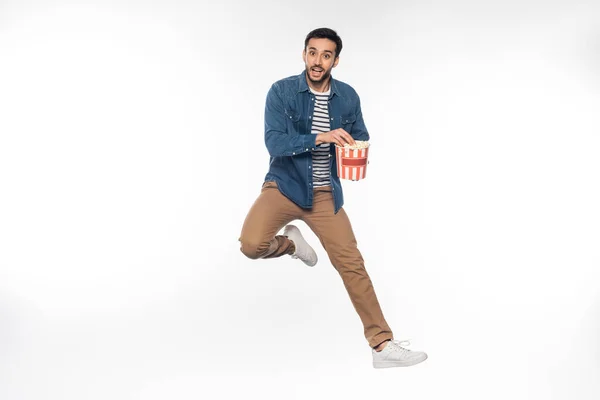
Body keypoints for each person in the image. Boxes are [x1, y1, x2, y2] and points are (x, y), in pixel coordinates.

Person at [239, 27, 427, 368]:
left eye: (326, 55)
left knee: (352, 264)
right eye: (312, 52)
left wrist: (358, 148)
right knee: (251, 245)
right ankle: (293, 245)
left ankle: (381, 345)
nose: (317, 60)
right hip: (283, 186)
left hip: (325, 194)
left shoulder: (348, 97)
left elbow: (360, 135)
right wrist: (321, 136)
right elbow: (275, 144)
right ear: (304, 54)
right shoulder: (282, 92)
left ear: (335, 60)